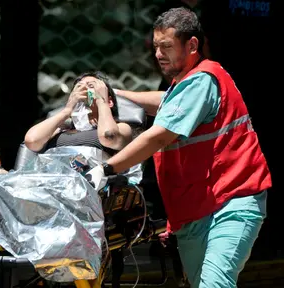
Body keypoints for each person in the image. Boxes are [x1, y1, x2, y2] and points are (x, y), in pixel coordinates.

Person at [86, 8, 272, 288]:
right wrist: (117, 95)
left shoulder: (203, 79)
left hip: (231, 202)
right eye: (156, 46)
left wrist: (106, 168)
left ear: (193, 45)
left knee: (214, 284)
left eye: (167, 46)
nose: (158, 54)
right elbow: (165, 100)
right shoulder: (185, 84)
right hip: (195, 210)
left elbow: (158, 137)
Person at [24, 71, 133, 155]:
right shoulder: (59, 130)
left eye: (91, 86)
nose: (83, 90)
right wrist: (66, 111)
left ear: (109, 102)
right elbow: (31, 141)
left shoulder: (121, 128)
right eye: (79, 87)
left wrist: (101, 101)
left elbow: (109, 137)